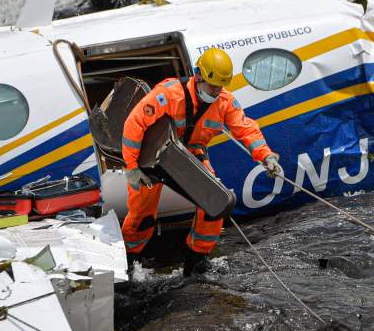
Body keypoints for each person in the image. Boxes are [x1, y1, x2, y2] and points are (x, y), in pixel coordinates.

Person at [120, 47, 283, 276]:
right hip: (153, 159)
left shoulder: (225, 102)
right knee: (141, 216)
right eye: (212, 86)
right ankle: (127, 262)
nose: (216, 92)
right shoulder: (168, 94)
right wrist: (132, 168)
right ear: (198, 76)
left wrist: (266, 156)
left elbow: (246, 129)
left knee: (215, 205)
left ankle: (196, 262)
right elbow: (133, 125)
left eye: (220, 87)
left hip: (191, 156)